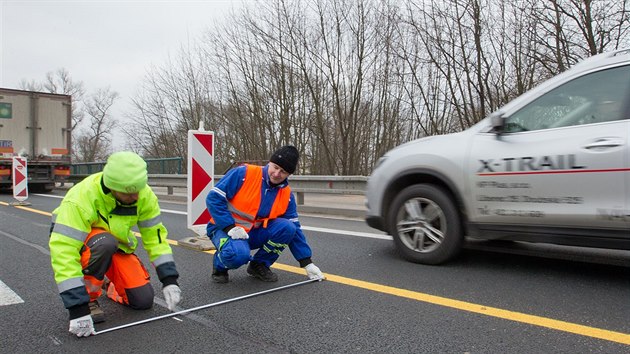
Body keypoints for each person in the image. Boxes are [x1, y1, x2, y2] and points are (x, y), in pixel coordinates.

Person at [49, 151, 182, 337]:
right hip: (87, 246)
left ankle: (108, 285)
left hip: (116, 246)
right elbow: (64, 252)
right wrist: (77, 309)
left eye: (138, 190)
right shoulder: (81, 198)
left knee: (142, 301)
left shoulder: (143, 195)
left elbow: (156, 238)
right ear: (112, 187)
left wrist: (169, 280)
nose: (136, 197)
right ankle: (89, 299)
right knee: (105, 243)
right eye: (129, 193)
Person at [205, 145, 325, 283]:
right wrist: (229, 227)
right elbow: (214, 198)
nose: (276, 174)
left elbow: (295, 229)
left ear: (289, 175)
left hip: (253, 233)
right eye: (275, 167)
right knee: (237, 255)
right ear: (269, 163)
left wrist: (306, 262)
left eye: (283, 172)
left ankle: (259, 265)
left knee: (288, 228)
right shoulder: (243, 174)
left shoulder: (286, 195)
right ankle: (220, 265)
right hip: (223, 229)